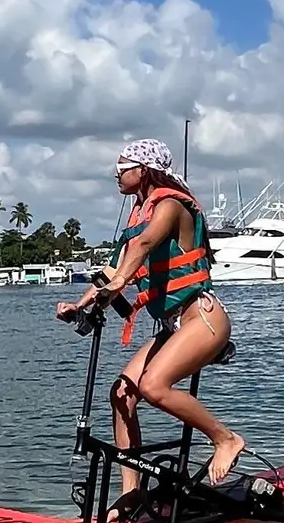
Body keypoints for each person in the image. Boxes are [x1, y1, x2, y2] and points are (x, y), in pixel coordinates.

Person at [58, 136, 245, 492]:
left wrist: (118, 286)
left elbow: (144, 247)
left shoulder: (171, 205)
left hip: (202, 319)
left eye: (122, 167)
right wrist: (79, 305)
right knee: (121, 394)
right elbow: (114, 271)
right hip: (173, 327)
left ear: (144, 171)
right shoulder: (137, 213)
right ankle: (132, 492)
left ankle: (225, 439)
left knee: (154, 386)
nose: (115, 174)